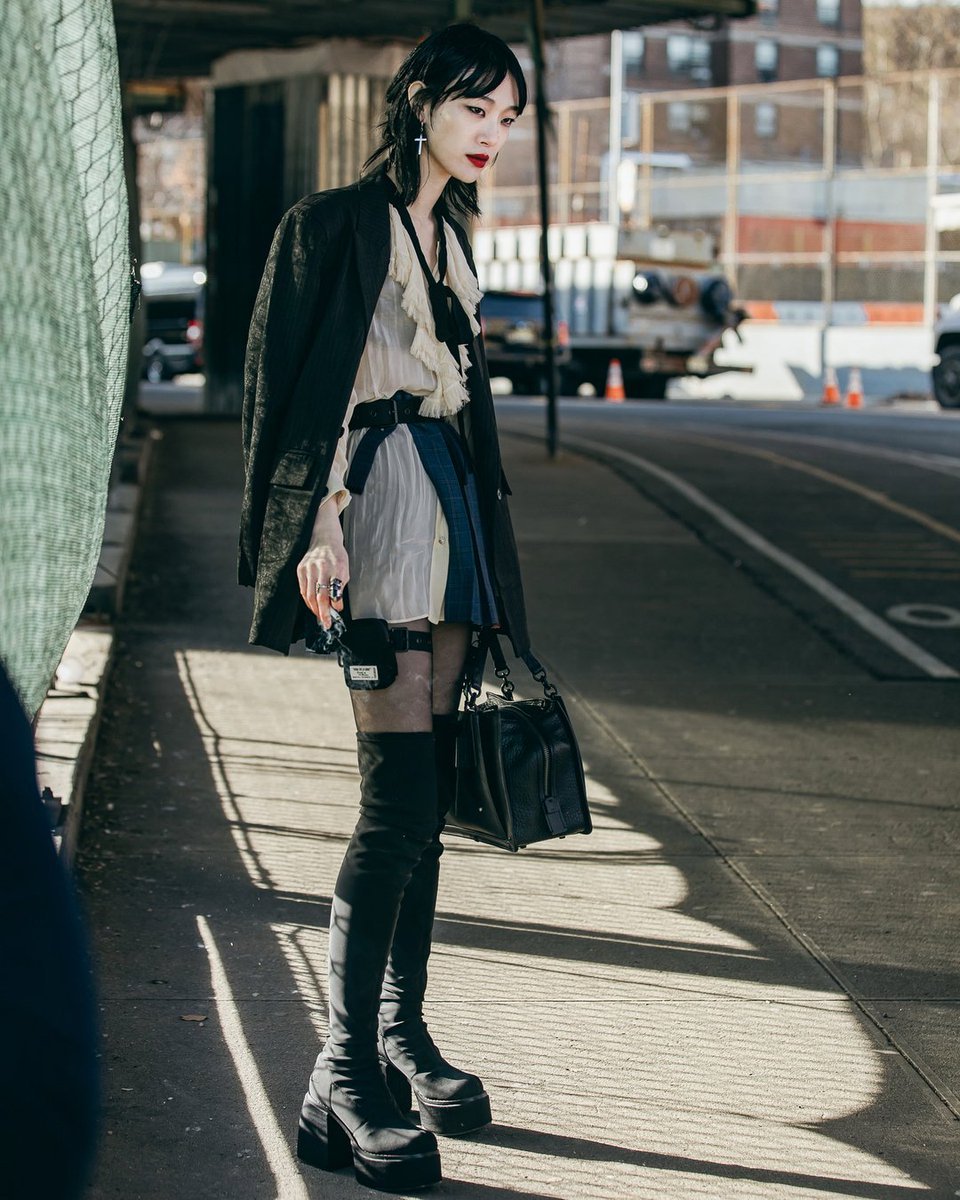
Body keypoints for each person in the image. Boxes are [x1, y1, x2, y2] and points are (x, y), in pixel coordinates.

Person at [239, 23, 529, 1193]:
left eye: (508, 119)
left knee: (426, 801)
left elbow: (461, 398)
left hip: (450, 516)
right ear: (419, 103)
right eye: (477, 111)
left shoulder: (449, 229)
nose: (492, 135)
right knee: (394, 800)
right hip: (375, 520)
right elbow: (292, 397)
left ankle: (399, 1035)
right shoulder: (331, 226)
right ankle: (344, 1071)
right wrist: (313, 528)